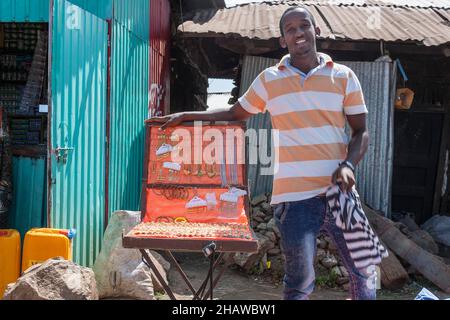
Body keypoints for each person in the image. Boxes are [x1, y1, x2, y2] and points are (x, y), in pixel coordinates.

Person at [152, 5, 375, 300]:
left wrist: (348, 165)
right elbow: (235, 113)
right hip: (294, 200)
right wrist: (187, 116)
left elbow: (361, 132)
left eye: (304, 26)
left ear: (316, 30)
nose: (299, 33)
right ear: (283, 40)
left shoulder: (344, 76)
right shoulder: (271, 79)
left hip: (342, 195)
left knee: (364, 271)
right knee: (300, 282)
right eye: (291, 29)